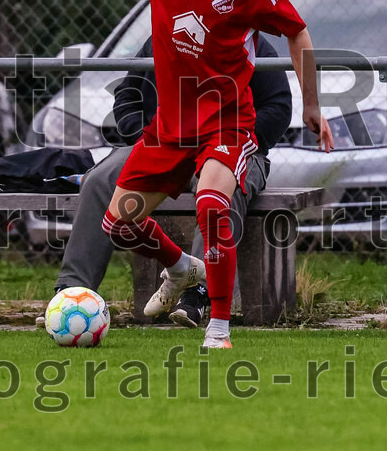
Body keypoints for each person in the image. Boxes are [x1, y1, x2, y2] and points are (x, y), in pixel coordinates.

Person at [10, 0, 333, 348]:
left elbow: (297, 33)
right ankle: (182, 268)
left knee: (212, 208)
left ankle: (218, 327)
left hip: (226, 123)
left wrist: (311, 105)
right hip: (169, 131)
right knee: (118, 223)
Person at [48, 33, 292, 327]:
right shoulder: (163, 38)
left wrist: (232, 143)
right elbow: (127, 98)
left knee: (217, 192)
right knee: (100, 179)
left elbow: (278, 109)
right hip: (162, 146)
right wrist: (148, 144)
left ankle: (198, 295)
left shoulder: (249, 42)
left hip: (231, 147)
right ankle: (73, 293)